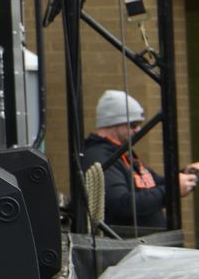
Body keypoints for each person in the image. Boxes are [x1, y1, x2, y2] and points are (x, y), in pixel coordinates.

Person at [81, 89, 198, 230]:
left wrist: (186, 174)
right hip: (128, 246)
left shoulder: (124, 153)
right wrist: (171, 190)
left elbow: (154, 183)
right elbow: (121, 205)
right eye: (133, 125)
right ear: (113, 123)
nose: (138, 130)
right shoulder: (100, 156)